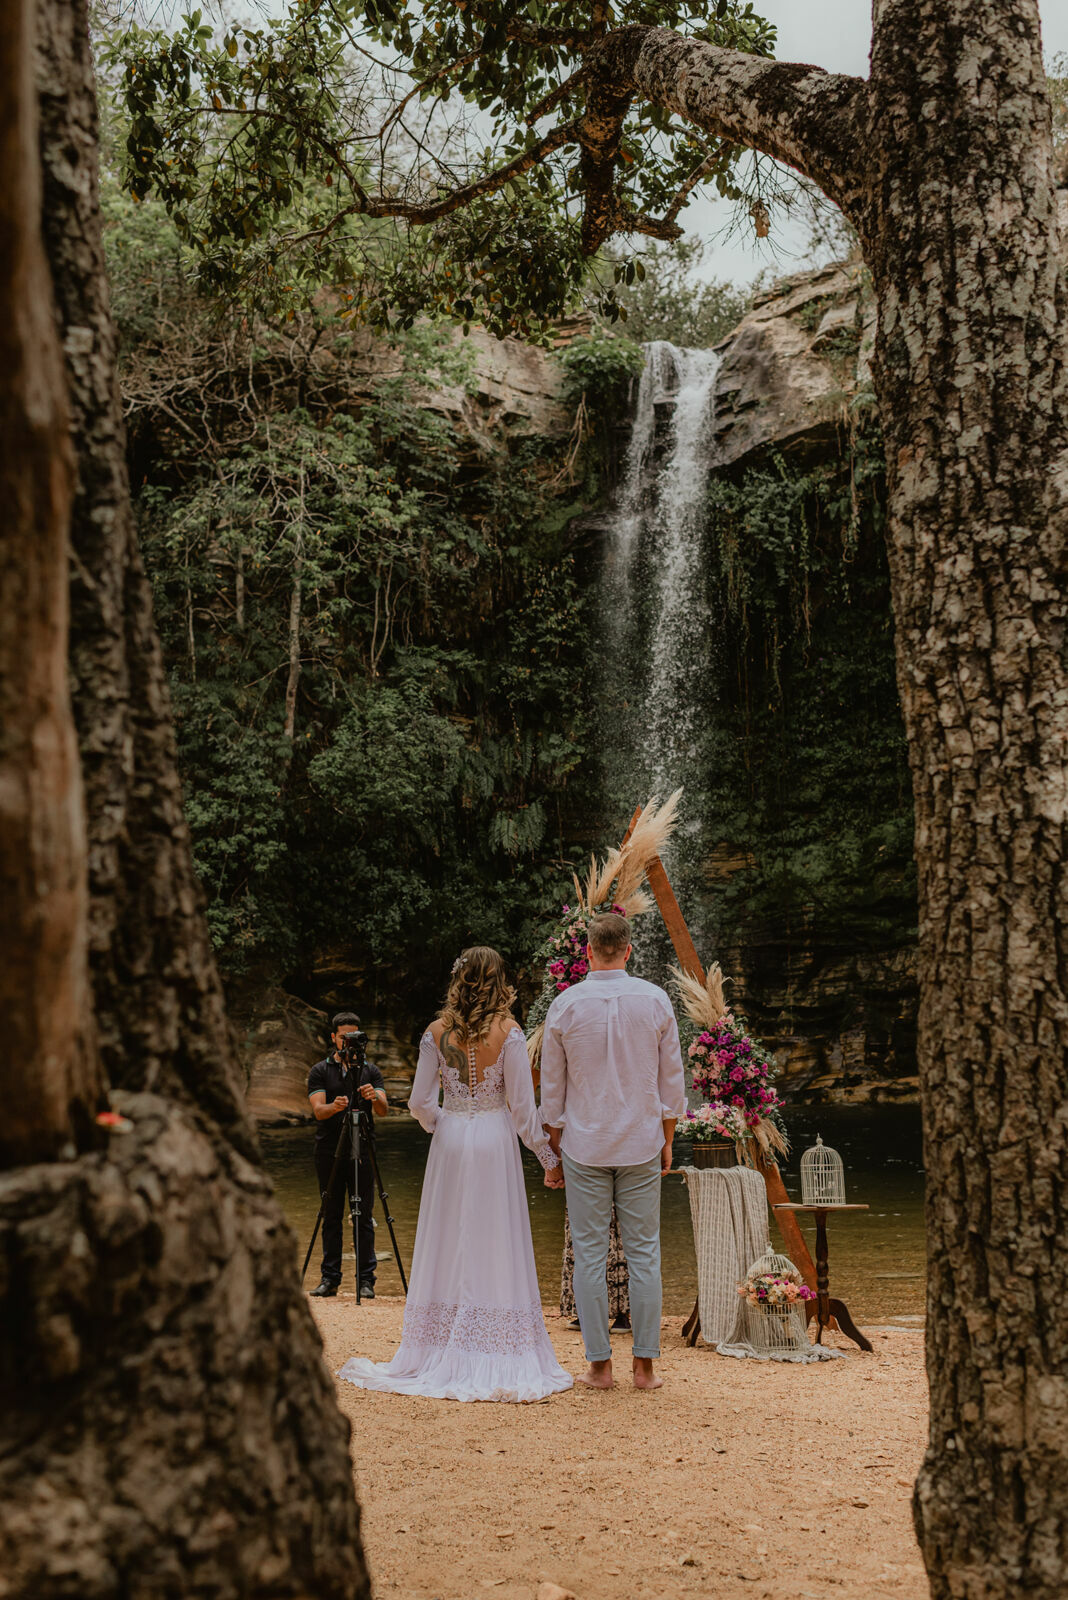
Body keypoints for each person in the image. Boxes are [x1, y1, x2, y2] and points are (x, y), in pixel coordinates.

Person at [338, 947, 573, 1403]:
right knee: (494, 1236)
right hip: (492, 1139)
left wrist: (444, 1124)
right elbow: (525, 1114)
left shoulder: (434, 1033)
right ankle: (490, 1342)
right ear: (497, 982)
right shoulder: (509, 1033)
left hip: (450, 1140)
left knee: (448, 1234)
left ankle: (437, 1342)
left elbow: (420, 1104)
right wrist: (549, 1161)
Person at [539, 911, 687, 1391]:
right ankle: (644, 1368)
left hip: (584, 1144)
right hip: (642, 1141)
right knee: (644, 1254)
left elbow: (552, 1091)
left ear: (587, 951)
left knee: (589, 1255)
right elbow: (672, 1082)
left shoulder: (565, 1006)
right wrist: (667, 1141)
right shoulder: (655, 1000)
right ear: (628, 950)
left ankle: (599, 1368)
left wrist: (556, 1150)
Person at [307, 1012, 388, 1299]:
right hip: (329, 1150)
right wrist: (335, 1106)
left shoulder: (371, 1070)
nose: (349, 1043)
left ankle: (366, 1280)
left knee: (363, 1216)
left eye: (354, 1037)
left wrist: (373, 1097)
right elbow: (318, 1110)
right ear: (334, 1037)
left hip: (363, 1148)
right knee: (331, 1214)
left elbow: (383, 1109)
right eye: (344, 1037)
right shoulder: (320, 1070)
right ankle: (330, 1279)